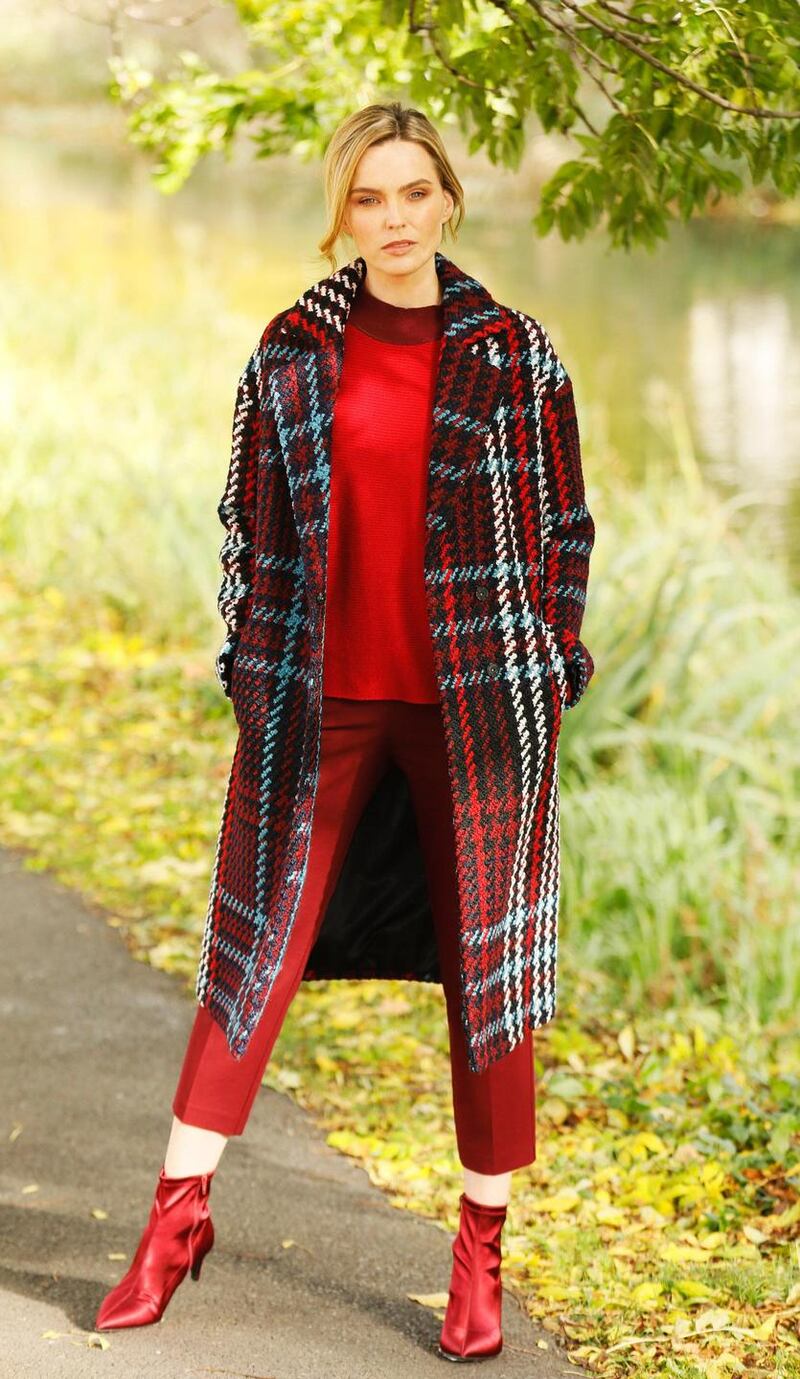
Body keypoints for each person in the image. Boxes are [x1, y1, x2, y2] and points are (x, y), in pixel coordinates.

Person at [95, 100, 595, 1362]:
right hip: (319, 704)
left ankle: (479, 1247)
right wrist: (249, 665)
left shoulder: (516, 357)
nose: (391, 220)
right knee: (251, 944)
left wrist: (554, 654)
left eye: (411, 194)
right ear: (343, 211)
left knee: (487, 987)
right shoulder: (291, 351)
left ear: (447, 201)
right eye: (367, 199)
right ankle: (173, 1216)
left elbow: (564, 530)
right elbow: (250, 526)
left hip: (479, 712)